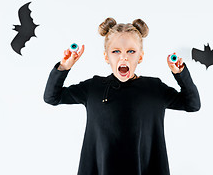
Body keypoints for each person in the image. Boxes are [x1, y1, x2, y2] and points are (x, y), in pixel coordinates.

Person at [43, 17, 200, 175]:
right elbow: (52, 97)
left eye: (131, 51)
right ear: (106, 57)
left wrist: (180, 73)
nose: (123, 57)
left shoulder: (154, 89)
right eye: (116, 51)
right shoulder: (94, 88)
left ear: (140, 56)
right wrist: (64, 67)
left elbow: (192, 104)